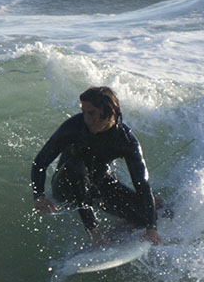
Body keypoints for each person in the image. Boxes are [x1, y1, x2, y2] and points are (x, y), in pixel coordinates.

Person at [31, 86, 162, 247]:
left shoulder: (125, 140)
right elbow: (40, 162)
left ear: (110, 113)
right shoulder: (73, 127)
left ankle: (116, 231)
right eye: (84, 112)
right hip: (67, 187)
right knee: (76, 165)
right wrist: (39, 195)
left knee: (146, 216)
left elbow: (141, 182)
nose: (86, 118)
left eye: (91, 113)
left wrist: (151, 227)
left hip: (97, 184)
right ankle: (95, 234)